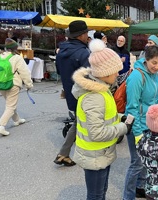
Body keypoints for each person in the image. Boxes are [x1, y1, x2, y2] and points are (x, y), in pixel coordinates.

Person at [71, 38, 132, 200]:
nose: (118, 73)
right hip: (94, 155)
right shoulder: (94, 97)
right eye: (115, 70)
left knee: (101, 191)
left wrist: (121, 118)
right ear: (104, 73)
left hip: (101, 153)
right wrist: (123, 128)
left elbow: (106, 116)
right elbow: (97, 133)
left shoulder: (102, 90)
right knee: (96, 195)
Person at [123, 45, 158, 200]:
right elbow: (132, 107)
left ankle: (140, 187)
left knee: (147, 160)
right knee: (136, 163)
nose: (157, 66)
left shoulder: (157, 75)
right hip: (138, 125)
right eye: (154, 62)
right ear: (146, 59)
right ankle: (127, 196)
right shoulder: (137, 76)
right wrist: (138, 132)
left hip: (151, 125)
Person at [54, 20, 91, 166]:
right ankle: (66, 153)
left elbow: (58, 71)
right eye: (86, 33)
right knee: (84, 122)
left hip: (70, 93)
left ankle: (64, 154)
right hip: (84, 94)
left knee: (78, 121)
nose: (88, 35)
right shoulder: (83, 52)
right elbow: (89, 76)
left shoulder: (61, 50)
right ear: (81, 35)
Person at [0, 38, 33, 136]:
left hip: (0, 84)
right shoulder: (17, 57)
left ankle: (17, 120)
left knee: (10, 103)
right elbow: (25, 73)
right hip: (13, 84)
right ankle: (1, 126)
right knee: (10, 105)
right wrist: (29, 84)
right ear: (15, 48)